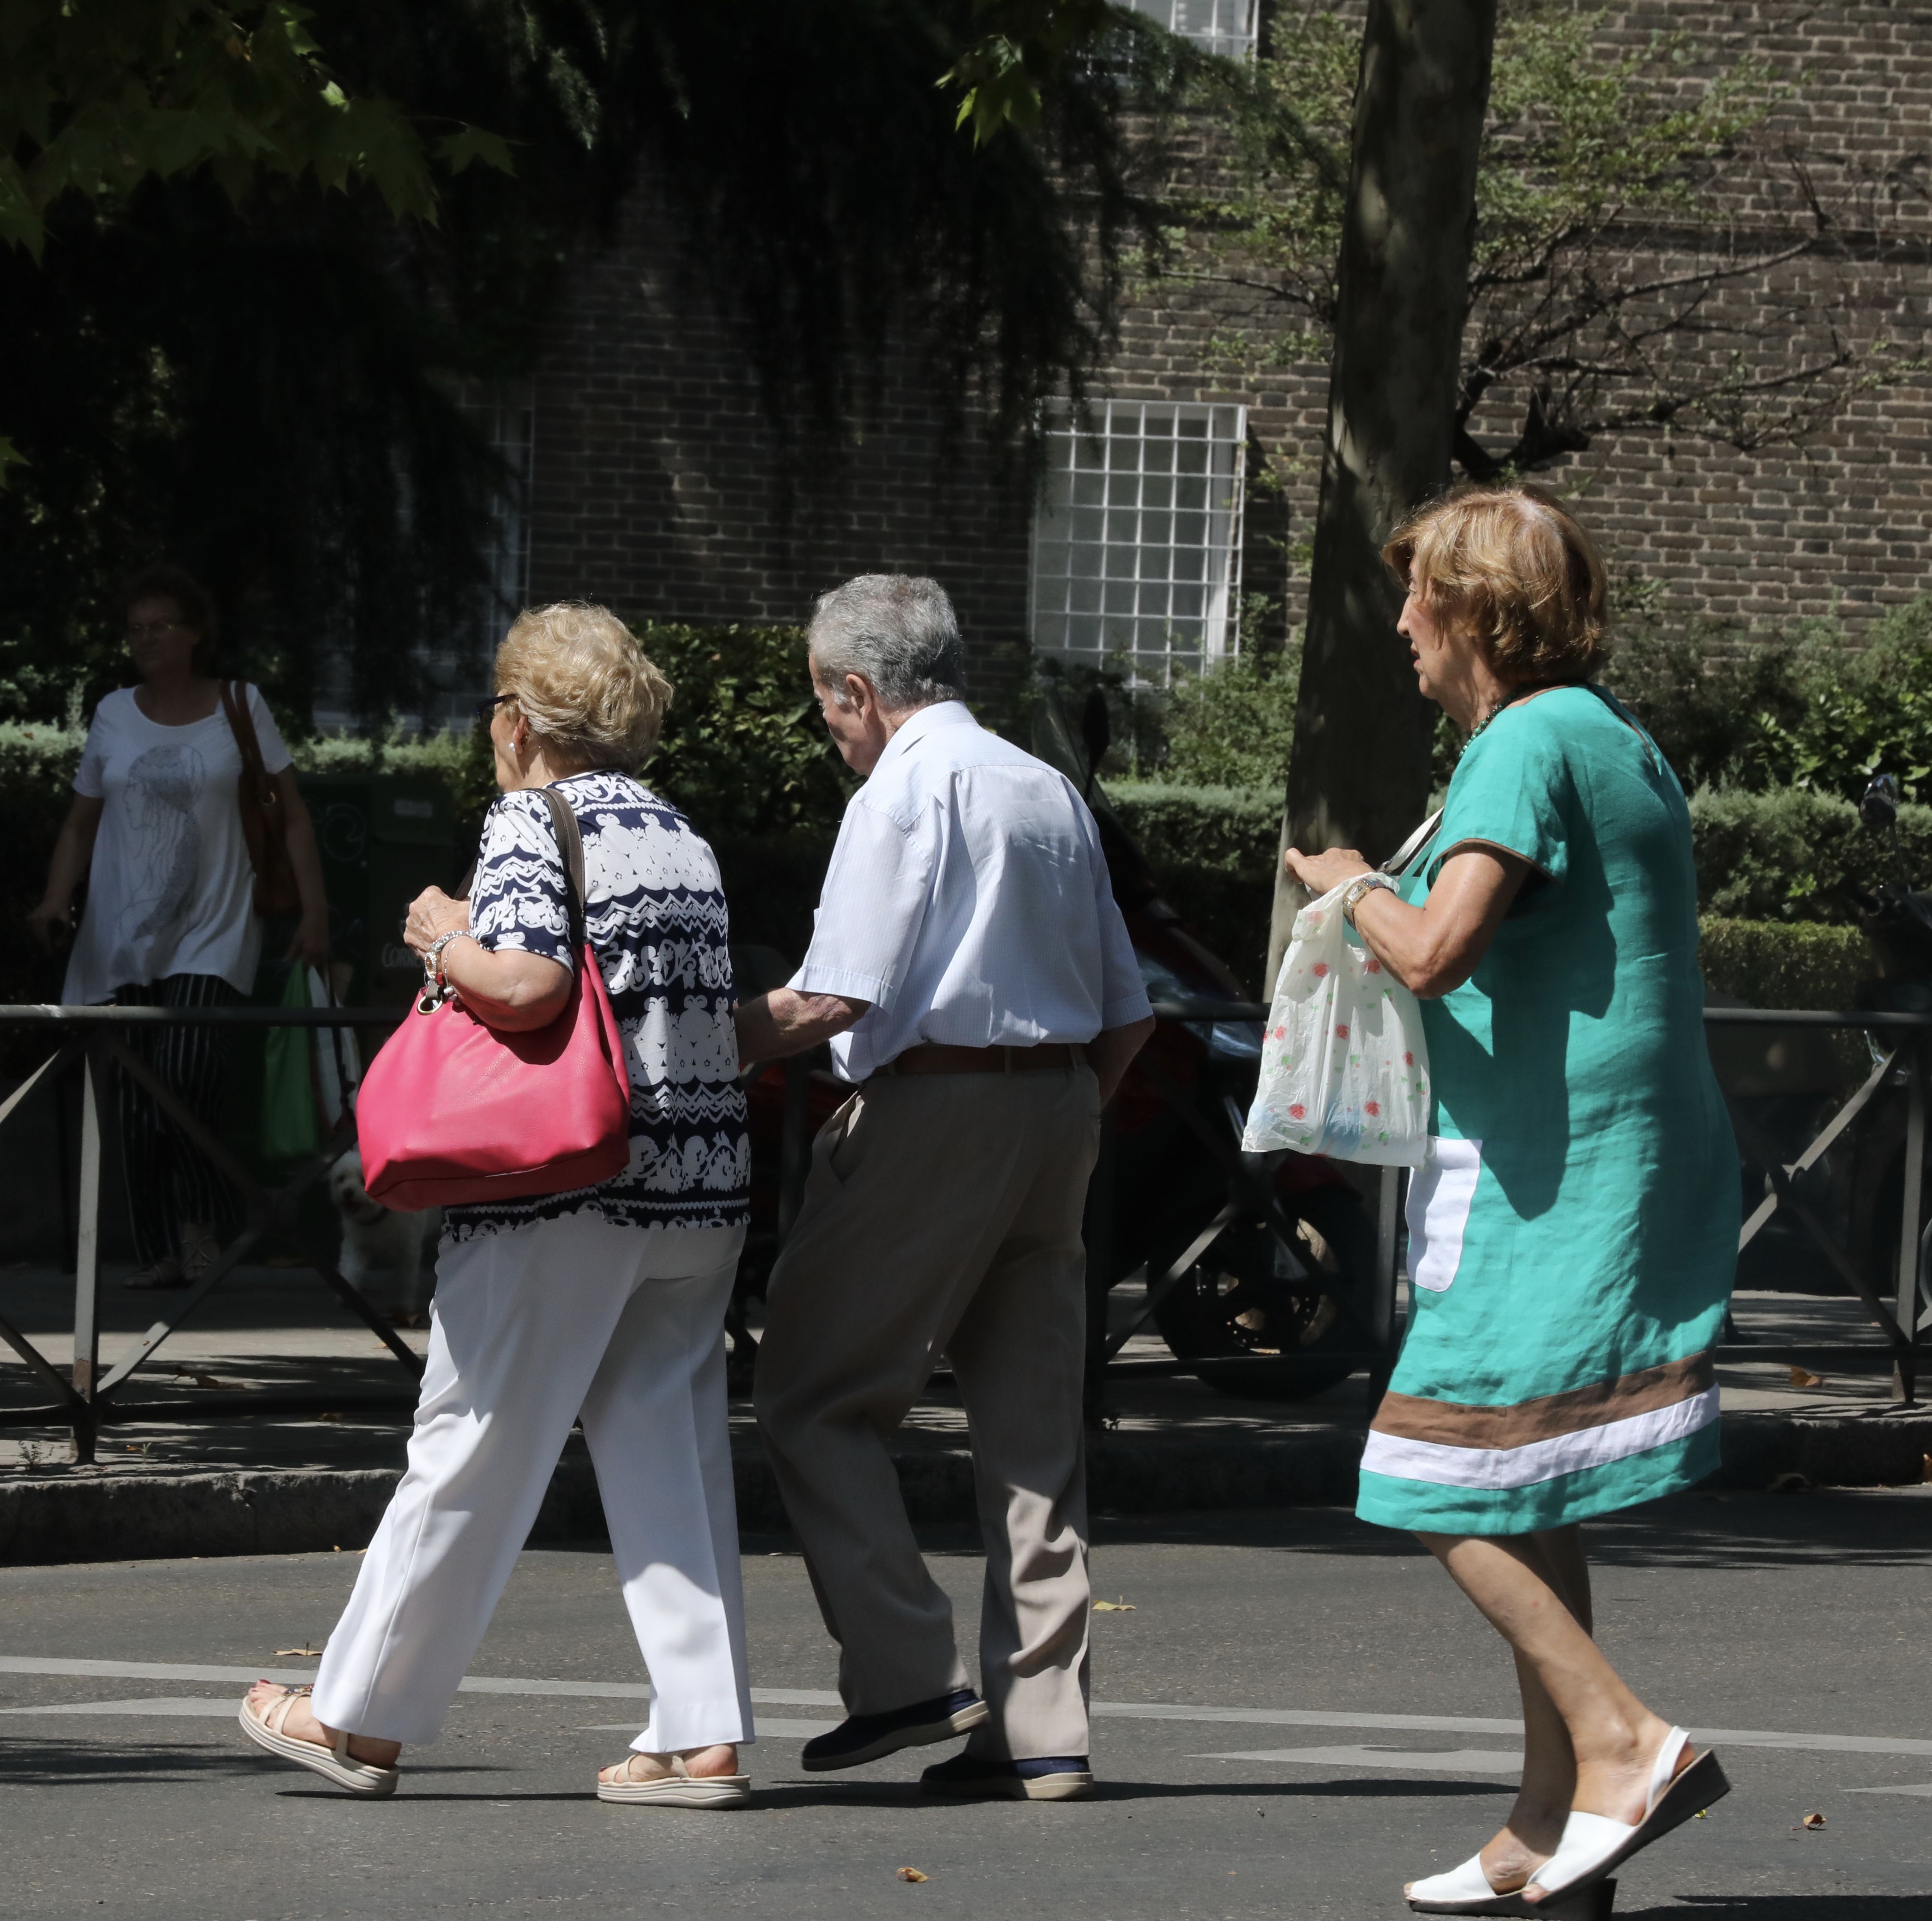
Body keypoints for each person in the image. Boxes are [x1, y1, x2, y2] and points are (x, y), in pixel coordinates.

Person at [1283, 486, 1738, 1914]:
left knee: (1427, 1471)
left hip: (1552, 1170)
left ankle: (1621, 1747)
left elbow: (1432, 951)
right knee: (1526, 1481)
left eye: (1418, 598)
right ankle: (1553, 1832)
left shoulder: (1524, 739)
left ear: (1477, 610)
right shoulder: (1602, 734)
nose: (1402, 626)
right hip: (1593, 1156)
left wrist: (1351, 884)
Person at [240, 603, 758, 1807]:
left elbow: (525, 988)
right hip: (699, 1193)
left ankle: (357, 1717)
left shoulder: (533, 814)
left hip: (563, 1195)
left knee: (468, 1442)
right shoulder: (679, 831)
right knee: (671, 1454)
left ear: (518, 723)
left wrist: (439, 938)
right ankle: (702, 1734)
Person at [741, 574, 1154, 1803]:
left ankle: (903, 1665)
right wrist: (1061, 1110)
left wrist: (682, 1039)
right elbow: (1129, 1010)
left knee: (812, 1391)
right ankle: (1042, 1729)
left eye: (830, 710)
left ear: (858, 690)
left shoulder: (904, 789)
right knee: (1033, 1429)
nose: (833, 733)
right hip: (1059, 1101)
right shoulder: (1045, 788)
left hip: (936, 1105)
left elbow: (833, 998)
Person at [27, 565, 330, 1289]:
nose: (146, 639)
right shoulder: (113, 713)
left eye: (161, 625)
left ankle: (202, 1226)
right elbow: (81, 820)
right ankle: (161, 1250)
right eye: (135, 629)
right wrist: (51, 899)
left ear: (196, 633)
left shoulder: (239, 705)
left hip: (215, 926)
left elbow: (289, 814)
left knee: (186, 1072)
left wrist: (315, 910)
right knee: (134, 1099)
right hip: (121, 935)